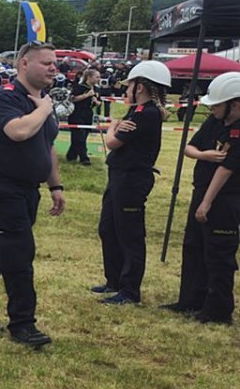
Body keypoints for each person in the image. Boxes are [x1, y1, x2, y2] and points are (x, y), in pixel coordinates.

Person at [0, 43, 66, 347]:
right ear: (24, 63)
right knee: (19, 254)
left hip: (28, 190)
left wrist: (55, 185)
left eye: (55, 63)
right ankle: (23, 324)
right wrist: (44, 109)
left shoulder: (42, 101)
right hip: (2, 189)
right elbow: (18, 131)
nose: (53, 68)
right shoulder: (4, 97)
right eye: (46, 63)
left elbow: (47, 145)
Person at [93, 61, 170, 305]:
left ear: (140, 87)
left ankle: (129, 290)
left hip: (132, 178)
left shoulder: (146, 113)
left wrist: (112, 127)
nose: (126, 90)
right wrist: (116, 127)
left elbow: (112, 142)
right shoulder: (138, 110)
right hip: (120, 175)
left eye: (130, 85)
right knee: (109, 228)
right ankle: (114, 280)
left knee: (129, 234)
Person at [167, 72, 240, 325]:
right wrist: (204, 155)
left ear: (235, 104)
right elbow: (189, 147)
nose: (212, 109)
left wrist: (206, 203)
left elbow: (226, 169)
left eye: (217, 105)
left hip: (224, 198)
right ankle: (190, 299)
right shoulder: (215, 121)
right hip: (202, 191)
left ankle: (218, 309)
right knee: (194, 246)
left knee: (218, 253)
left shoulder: (237, 131)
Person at [65, 66, 99, 165]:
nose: (98, 79)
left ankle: (71, 155)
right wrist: (86, 95)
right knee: (79, 136)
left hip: (88, 114)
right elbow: (72, 98)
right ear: (89, 77)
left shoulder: (96, 89)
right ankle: (84, 158)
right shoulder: (79, 87)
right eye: (96, 77)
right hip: (77, 113)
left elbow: (97, 102)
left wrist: (96, 102)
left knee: (82, 137)